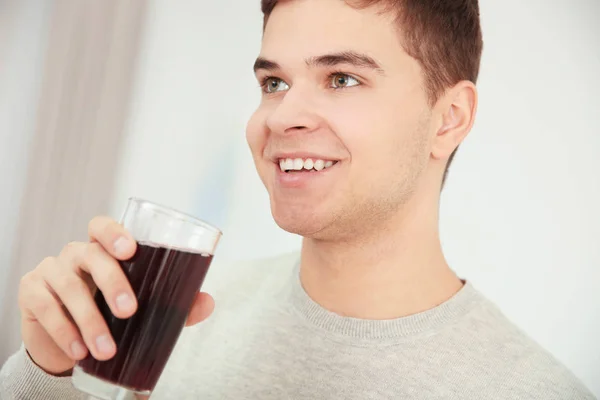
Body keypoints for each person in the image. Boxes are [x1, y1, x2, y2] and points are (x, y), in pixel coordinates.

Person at [1, 0, 595, 399]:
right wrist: (44, 370)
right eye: (273, 83)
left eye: (342, 79)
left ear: (449, 119)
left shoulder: (535, 391)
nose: (282, 117)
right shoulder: (181, 320)